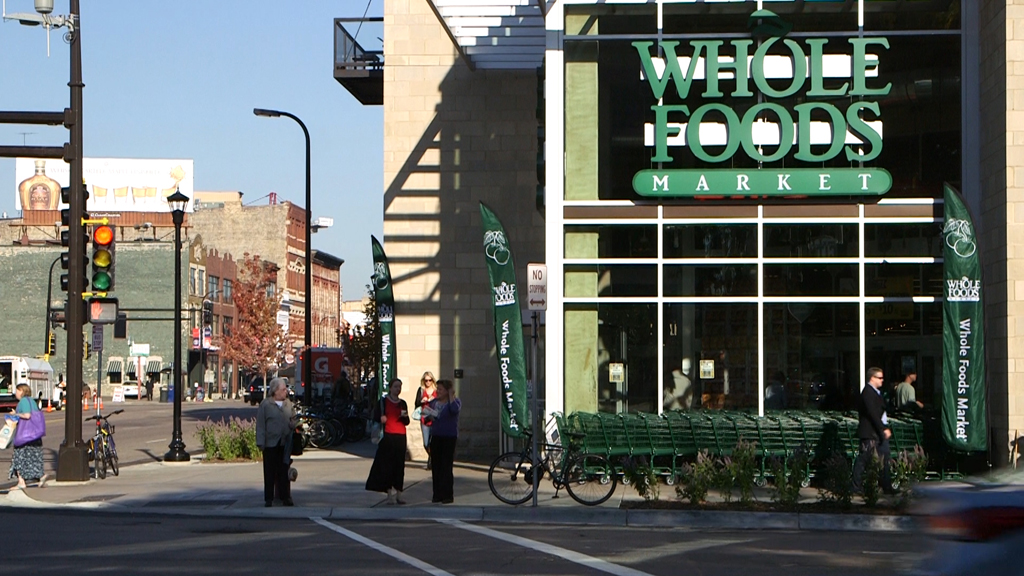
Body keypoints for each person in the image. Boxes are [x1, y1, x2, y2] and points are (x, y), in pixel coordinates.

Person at [365, 378, 410, 504]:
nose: (398, 389)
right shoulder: (383, 402)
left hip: (400, 435)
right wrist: (381, 419)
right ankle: (389, 494)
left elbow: (407, 422)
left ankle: (399, 494)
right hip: (388, 436)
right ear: (390, 388)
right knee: (387, 465)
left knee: (399, 465)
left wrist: (404, 417)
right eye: (395, 386)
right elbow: (375, 417)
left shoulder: (402, 403)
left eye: (399, 387)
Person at [256, 378, 296, 507]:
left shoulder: (288, 404)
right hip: (270, 443)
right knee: (269, 472)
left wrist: (293, 424)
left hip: (284, 443)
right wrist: (260, 442)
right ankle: (269, 498)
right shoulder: (265, 405)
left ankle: (285, 497)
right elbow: (261, 425)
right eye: (283, 390)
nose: (286, 392)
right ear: (275, 391)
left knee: (283, 470)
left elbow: (294, 418)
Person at [853, 367, 892, 494]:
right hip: (871, 432)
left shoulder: (876, 392)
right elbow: (873, 413)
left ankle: (886, 485)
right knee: (864, 458)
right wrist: (883, 428)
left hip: (877, 432)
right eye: (880, 378)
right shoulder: (868, 393)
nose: (882, 380)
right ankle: (856, 486)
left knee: (884, 458)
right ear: (872, 378)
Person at [423, 378, 460, 504]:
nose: (437, 391)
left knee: (446, 466)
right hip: (436, 436)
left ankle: (447, 494)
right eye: (437, 389)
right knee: (436, 465)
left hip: (449, 437)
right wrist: (428, 416)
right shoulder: (433, 403)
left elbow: (454, 410)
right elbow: (425, 418)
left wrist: (451, 396)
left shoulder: (454, 402)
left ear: (447, 390)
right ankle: (437, 494)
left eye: (440, 389)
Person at [8, 384, 49, 490]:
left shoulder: (23, 401)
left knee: (19, 457)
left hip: (25, 435)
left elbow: (27, 415)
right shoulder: (32, 401)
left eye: (17, 391)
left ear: (22, 391)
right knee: (34, 456)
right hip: (35, 435)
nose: (15, 393)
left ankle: (21, 482)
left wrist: (15, 414)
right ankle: (41, 476)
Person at [414, 371, 437, 469]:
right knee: (426, 443)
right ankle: (432, 457)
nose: (428, 382)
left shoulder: (436, 390)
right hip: (425, 418)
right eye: (426, 380)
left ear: (432, 380)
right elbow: (416, 403)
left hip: (435, 419)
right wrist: (421, 401)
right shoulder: (421, 390)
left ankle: (433, 461)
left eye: (430, 380)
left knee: (434, 442)